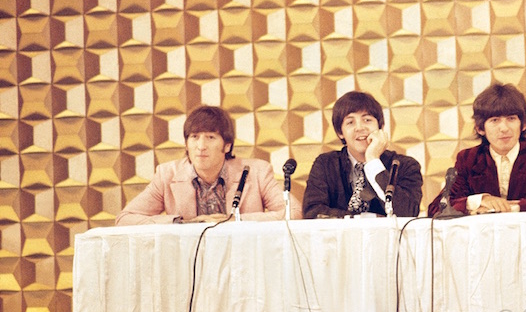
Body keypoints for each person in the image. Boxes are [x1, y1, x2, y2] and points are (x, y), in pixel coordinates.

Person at [115, 105, 301, 225]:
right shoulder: (167, 174)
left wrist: (236, 220)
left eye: (211, 137)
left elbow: (294, 212)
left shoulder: (257, 172)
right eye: (194, 137)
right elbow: (125, 219)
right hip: (188, 260)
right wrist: (180, 223)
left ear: (227, 145)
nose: (201, 146)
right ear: (186, 144)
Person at [427, 83, 526, 216]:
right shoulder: (468, 159)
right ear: (480, 128)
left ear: (523, 124)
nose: (504, 128)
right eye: (495, 120)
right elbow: (436, 208)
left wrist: (516, 207)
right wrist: (479, 201)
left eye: (511, 119)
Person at [303, 91, 423, 218]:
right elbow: (313, 212)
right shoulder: (325, 164)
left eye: (367, 120)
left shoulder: (405, 166)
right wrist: (365, 219)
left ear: (380, 127)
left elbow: (408, 213)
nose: (359, 128)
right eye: (350, 122)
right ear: (340, 132)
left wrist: (373, 161)